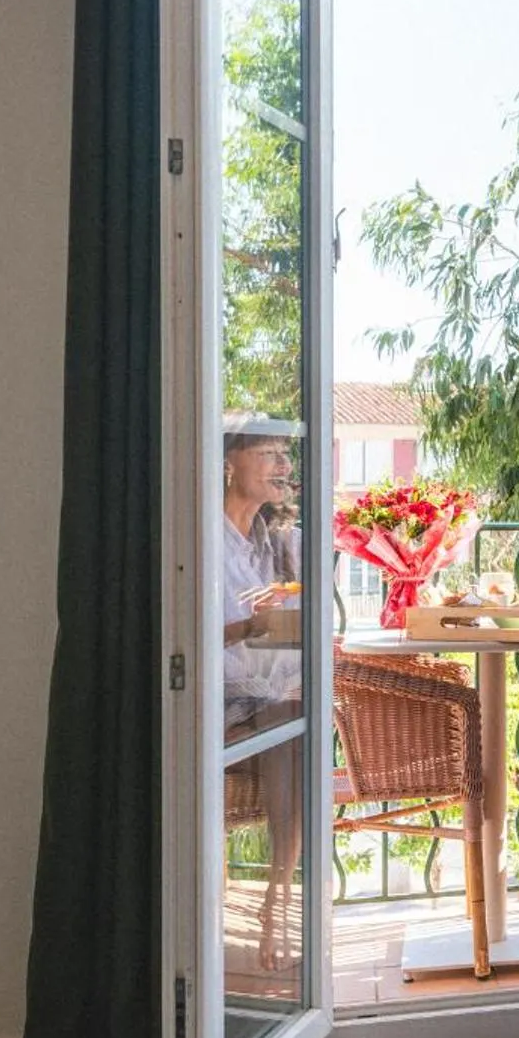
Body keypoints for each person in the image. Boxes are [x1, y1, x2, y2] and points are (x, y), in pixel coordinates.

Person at [219, 411, 305, 970]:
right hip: (215, 694)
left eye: (284, 453)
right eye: (268, 453)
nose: (282, 464)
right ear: (229, 464)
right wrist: (251, 625)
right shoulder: (203, 537)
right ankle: (279, 902)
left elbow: (291, 626)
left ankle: (279, 899)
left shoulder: (278, 541)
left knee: (294, 717)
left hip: (267, 693)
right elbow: (187, 635)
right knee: (289, 723)